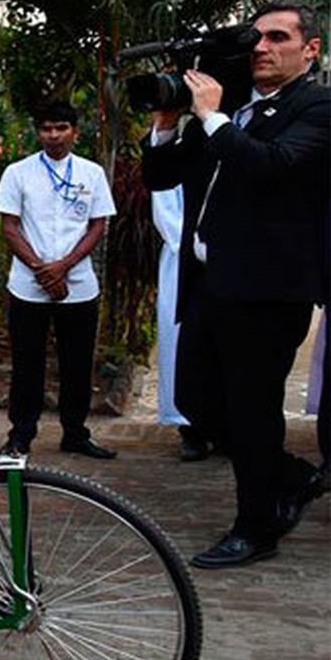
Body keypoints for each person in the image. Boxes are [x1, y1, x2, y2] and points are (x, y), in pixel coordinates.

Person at [142, 1, 330, 568]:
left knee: (252, 411)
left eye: (277, 38)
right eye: (256, 39)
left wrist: (212, 117)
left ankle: (256, 527)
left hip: (269, 289)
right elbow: (161, 176)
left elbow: (269, 165)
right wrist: (169, 121)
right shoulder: (231, 108)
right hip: (213, 281)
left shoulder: (316, 107)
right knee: (196, 399)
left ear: (310, 49)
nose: (262, 48)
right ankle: (291, 477)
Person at [0, 101, 117, 460]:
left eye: (61, 127)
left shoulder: (91, 173)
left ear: (74, 132)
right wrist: (41, 269)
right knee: (27, 364)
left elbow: (98, 225)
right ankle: (20, 436)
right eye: (46, 128)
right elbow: (9, 227)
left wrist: (63, 266)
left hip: (78, 286)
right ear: (37, 132)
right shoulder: (18, 173)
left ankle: (76, 434)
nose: (53, 135)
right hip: (28, 286)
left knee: (77, 365)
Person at [150, 185, 211, 461]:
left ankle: (225, 427)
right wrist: (198, 247)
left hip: (234, 262)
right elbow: (167, 214)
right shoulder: (177, 145)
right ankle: (190, 428)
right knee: (181, 344)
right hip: (184, 260)